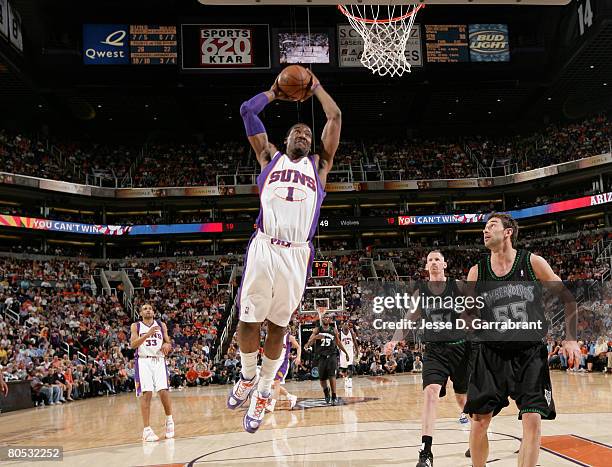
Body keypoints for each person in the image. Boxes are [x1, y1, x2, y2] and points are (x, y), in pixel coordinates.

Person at [227, 68, 341, 434]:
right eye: (298, 132)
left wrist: (317, 87)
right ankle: (247, 377)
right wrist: (276, 93)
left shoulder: (320, 166)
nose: (305, 135)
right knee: (249, 320)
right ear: (286, 138)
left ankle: (263, 393)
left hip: (296, 253)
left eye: (308, 133)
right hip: (264, 245)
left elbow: (335, 116)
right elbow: (247, 111)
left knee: (278, 326)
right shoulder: (269, 158)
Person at [464, 213, 581, 467]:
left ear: (508, 232)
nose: (485, 230)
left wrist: (570, 339)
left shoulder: (532, 262)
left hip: (529, 352)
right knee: (479, 421)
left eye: (491, 225)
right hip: (491, 352)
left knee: (532, 419)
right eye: (484, 227)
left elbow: (568, 299)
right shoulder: (477, 271)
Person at [386, 250, 472, 467]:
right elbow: (408, 319)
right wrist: (394, 341)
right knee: (430, 393)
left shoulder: (459, 287)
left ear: (444, 264)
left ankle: (476, 435)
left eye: (437, 259)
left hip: (461, 349)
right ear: (426, 267)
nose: (433, 263)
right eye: (430, 260)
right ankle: (426, 452)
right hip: (434, 351)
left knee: (463, 399)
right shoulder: (421, 292)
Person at [130, 303, 175, 442]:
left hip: (159, 359)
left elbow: (168, 342)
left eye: (150, 308)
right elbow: (133, 344)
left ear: (153, 312)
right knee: (147, 393)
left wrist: (167, 345)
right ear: (140, 313)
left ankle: (169, 421)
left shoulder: (161, 325)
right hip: (143, 361)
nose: (148, 310)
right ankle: (147, 430)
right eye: (145, 309)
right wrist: (147, 335)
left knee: (163, 391)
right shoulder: (136, 326)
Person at [305, 313, 350, 405]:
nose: (326, 319)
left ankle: (334, 396)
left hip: (331, 356)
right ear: (322, 319)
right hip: (321, 357)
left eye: (328, 318)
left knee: (332, 376)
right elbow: (309, 342)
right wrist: (315, 338)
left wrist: (345, 352)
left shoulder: (333, 330)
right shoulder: (317, 329)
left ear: (330, 320)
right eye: (324, 317)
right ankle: (326, 392)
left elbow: (338, 342)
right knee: (322, 379)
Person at [266, 327, 301, 412]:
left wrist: (298, 357)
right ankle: (290, 397)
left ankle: (272, 405)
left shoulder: (289, 337)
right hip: (274, 364)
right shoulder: (274, 337)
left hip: (283, 364)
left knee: (276, 383)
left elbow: (298, 347)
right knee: (273, 385)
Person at [339, 321, 358, 388]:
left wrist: (357, 351)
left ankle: (349, 381)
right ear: (342, 326)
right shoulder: (340, 334)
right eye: (345, 324)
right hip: (343, 352)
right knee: (344, 369)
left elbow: (355, 342)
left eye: (347, 324)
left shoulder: (351, 333)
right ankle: (346, 379)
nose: (346, 325)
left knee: (350, 366)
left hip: (350, 351)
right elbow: (337, 343)